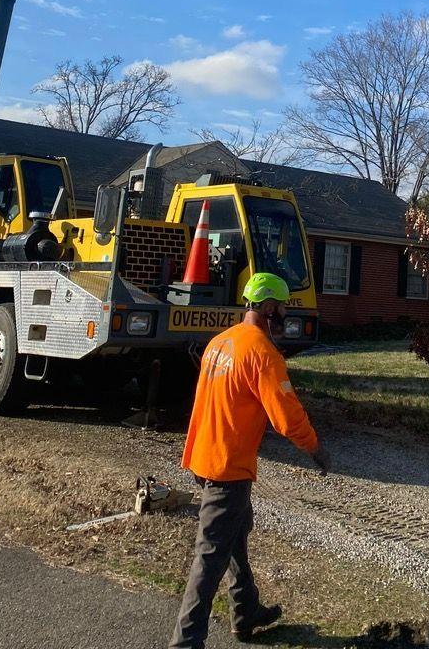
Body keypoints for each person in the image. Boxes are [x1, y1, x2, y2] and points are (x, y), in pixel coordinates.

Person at [168, 272, 331, 648]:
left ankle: (246, 610)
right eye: (284, 307)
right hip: (228, 468)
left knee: (235, 532)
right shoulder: (263, 354)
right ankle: (185, 641)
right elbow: (287, 417)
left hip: (202, 457)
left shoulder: (219, 344)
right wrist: (315, 449)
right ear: (269, 307)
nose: (285, 315)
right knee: (210, 557)